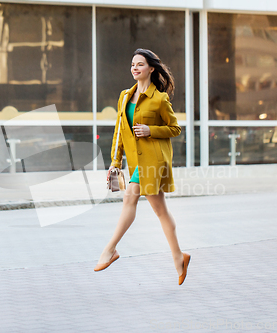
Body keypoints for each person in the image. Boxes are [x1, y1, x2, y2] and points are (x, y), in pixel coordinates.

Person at [94, 48, 190, 285]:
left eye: (140, 64)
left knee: (130, 199)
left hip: (153, 161)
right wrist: (115, 162)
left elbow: (175, 128)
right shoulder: (125, 95)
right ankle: (179, 258)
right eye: (132, 64)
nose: (135, 68)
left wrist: (151, 130)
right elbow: (119, 131)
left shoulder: (160, 99)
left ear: (151, 69)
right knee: (160, 211)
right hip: (136, 161)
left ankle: (109, 250)